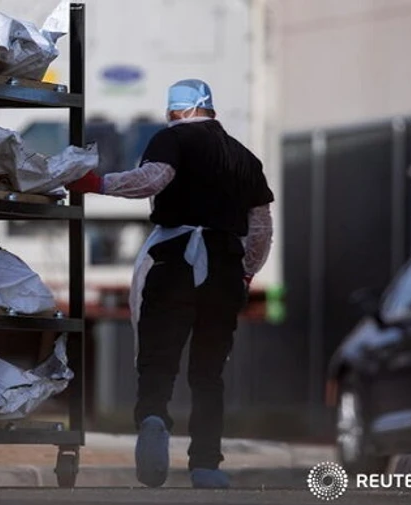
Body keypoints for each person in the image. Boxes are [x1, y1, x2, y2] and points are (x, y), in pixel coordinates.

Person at [66, 79, 274, 489]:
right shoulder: (245, 158)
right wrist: (247, 271)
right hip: (224, 267)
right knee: (209, 372)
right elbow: (261, 227)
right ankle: (206, 465)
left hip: (175, 261)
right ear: (210, 110)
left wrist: (99, 184)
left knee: (158, 358)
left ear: (176, 111)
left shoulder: (171, 139)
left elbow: (152, 179)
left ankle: (154, 417)